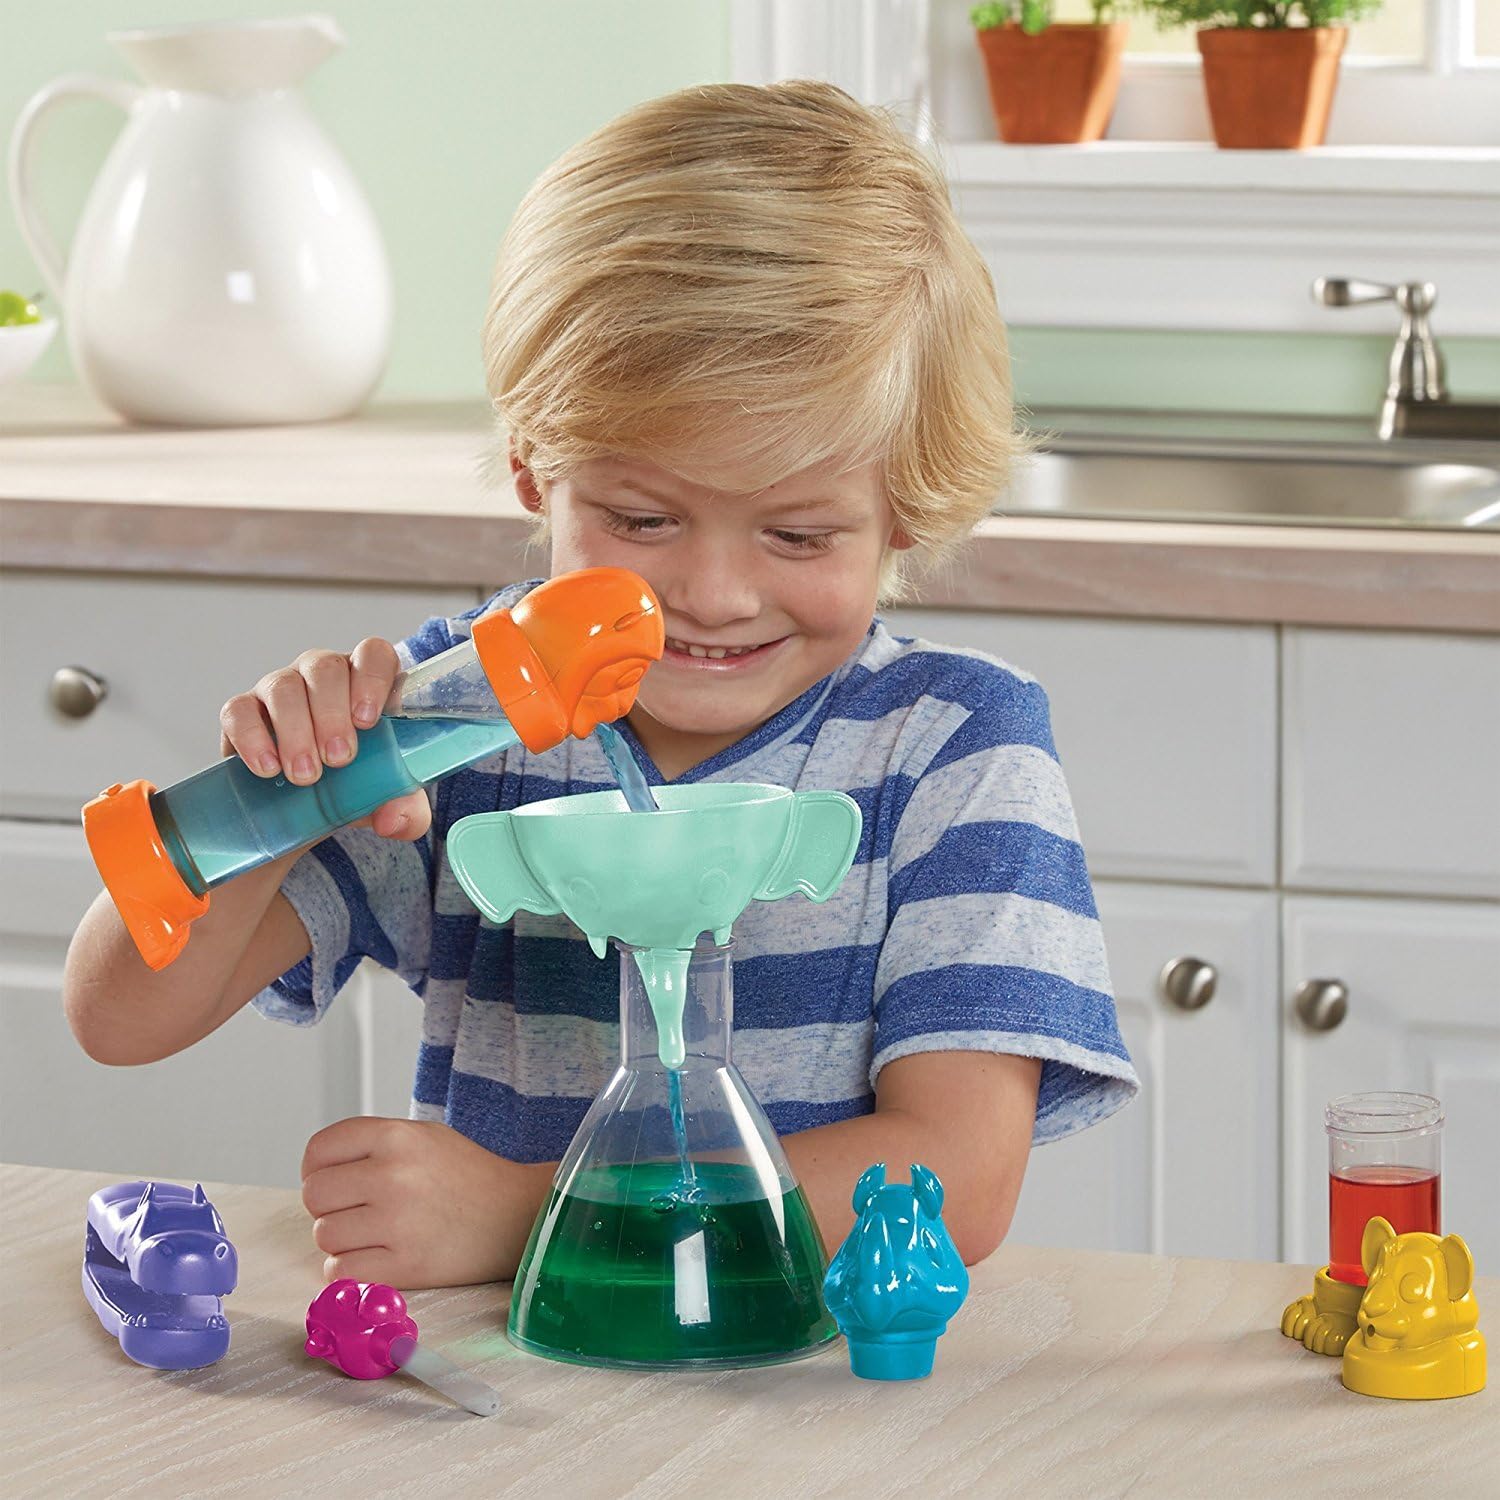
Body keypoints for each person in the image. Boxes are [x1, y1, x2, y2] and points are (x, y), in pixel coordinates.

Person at [64, 81, 1137, 1289]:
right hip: (514, 1397)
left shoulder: (951, 747)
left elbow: (957, 1180)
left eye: (798, 536)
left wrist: (523, 1216)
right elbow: (119, 1019)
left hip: (824, 1402)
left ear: (905, 510)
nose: (716, 593)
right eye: (642, 516)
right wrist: (278, 795)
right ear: (536, 467)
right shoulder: (457, 718)